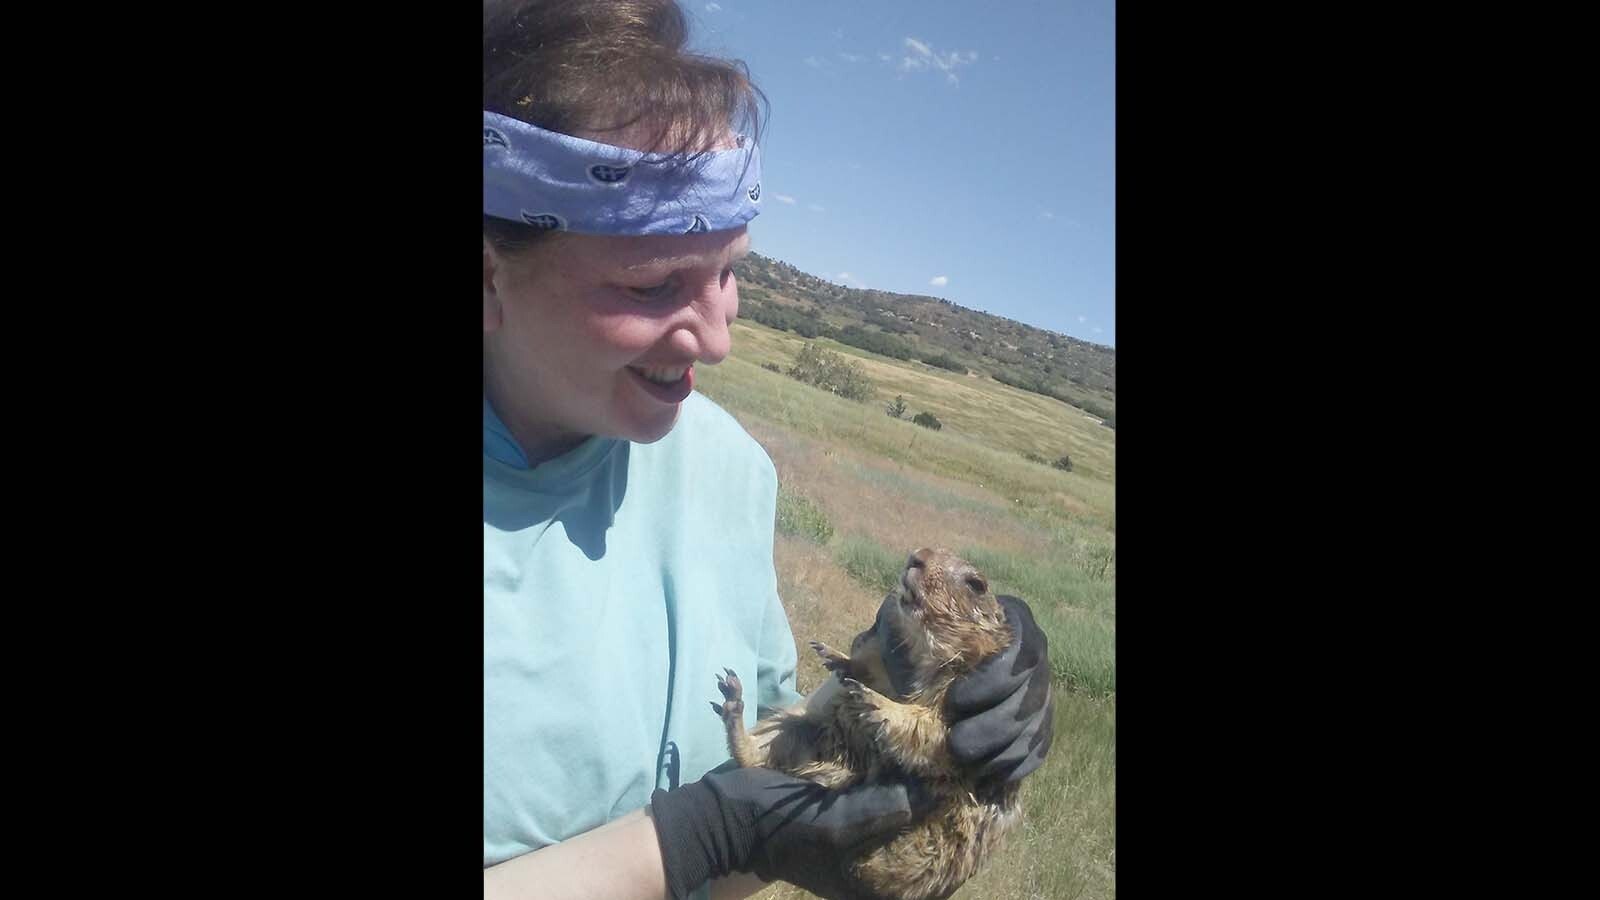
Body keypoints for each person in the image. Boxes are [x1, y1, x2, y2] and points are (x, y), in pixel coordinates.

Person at [480, 3, 1055, 898]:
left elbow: (779, 816)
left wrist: (943, 698)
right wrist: (689, 840)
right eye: (653, 282)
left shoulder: (728, 470)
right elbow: (727, 834)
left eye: (730, 271)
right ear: (491, 272)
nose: (717, 340)